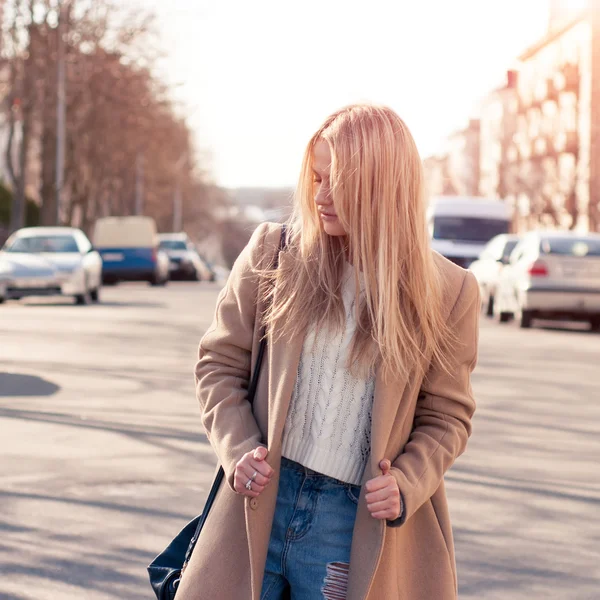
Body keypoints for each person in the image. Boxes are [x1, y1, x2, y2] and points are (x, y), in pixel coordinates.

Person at [176, 104, 480, 600]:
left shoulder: (449, 291)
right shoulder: (273, 252)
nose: (320, 195)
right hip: (261, 501)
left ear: (383, 186)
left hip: (352, 524)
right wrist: (237, 450)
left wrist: (406, 481)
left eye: (337, 180)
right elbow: (218, 364)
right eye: (316, 178)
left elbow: (448, 416)